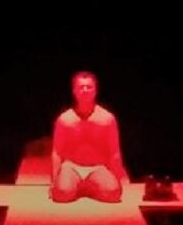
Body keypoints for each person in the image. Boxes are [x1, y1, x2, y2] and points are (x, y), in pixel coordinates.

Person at [50, 71, 128, 203]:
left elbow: (114, 152)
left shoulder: (107, 119)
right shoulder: (64, 119)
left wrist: (117, 180)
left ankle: (84, 187)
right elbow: (57, 152)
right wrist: (53, 181)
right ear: (74, 91)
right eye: (81, 87)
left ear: (95, 90)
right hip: (71, 166)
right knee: (61, 194)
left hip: (97, 166)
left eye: (89, 87)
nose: (85, 90)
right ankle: (77, 186)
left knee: (113, 194)